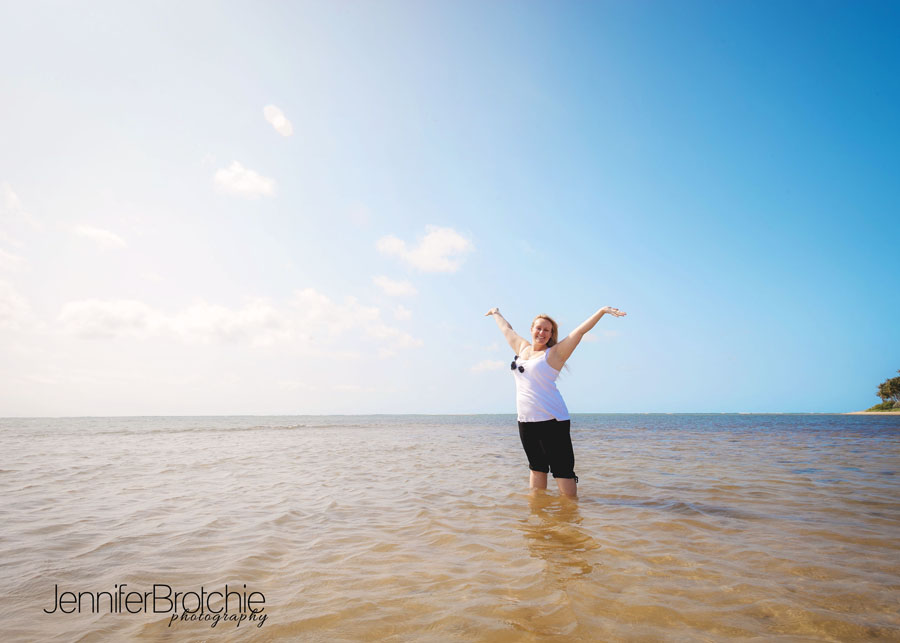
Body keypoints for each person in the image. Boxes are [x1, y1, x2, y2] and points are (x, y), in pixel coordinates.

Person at [484, 306, 626, 497]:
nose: (542, 333)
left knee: (563, 471)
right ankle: (538, 517)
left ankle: (569, 518)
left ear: (551, 334)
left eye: (547, 330)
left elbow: (580, 331)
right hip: (526, 421)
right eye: (539, 328)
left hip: (553, 421)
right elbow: (506, 329)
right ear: (532, 329)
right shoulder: (522, 348)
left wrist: (602, 311)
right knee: (536, 468)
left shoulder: (554, 354)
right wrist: (496, 313)